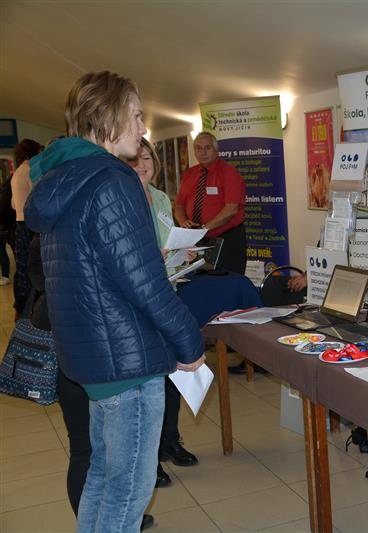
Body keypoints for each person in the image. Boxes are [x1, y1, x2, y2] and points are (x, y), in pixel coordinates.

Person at [25, 70, 205, 533]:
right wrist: (189, 343)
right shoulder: (112, 181)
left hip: (91, 358)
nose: (143, 129)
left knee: (103, 480)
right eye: (137, 116)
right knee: (127, 490)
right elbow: (145, 282)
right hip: (128, 360)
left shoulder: (62, 179)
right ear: (108, 117)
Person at [127, 138, 200, 484]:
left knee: (172, 377)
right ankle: (150, 458)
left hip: (167, 294)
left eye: (148, 159)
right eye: (136, 159)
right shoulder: (121, 198)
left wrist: (180, 253)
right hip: (139, 304)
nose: (144, 165)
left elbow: (166, 242)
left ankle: (170, 440)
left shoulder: (158, 198)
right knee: (148, 385)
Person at [174, 132, 246, 274]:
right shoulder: (189, 174)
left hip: (226, 239)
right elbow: (178, 205)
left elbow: (232, 208)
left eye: (207, 148)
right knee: (199, 282)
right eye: (198, 148)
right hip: (196, 240)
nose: (203, 152)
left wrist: (206, 227)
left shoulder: (229, 173)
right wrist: (183, 222)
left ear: (216, 150)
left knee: (227, 282)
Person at [9, 139, 44, 315]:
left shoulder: (16, 173)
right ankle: (30, 307)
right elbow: (38, 198)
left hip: (19, 224)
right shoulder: (32, 170)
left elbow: (14, 204)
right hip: (31, 225)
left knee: (22, 267)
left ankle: (19, 306)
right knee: (34, 268)